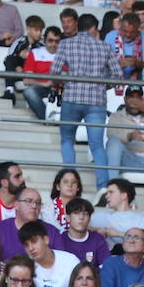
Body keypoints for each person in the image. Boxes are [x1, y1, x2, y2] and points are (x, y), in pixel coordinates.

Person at [50, 13, 119, 188]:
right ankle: (103, 188)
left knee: (67, 140)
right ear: (93, 28)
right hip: (96, 101)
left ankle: (69, 183)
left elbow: (54, 72)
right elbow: (118, 75)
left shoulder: (66, 44)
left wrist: (65, 82)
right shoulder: (105, 46)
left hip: (71, 98)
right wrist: (104, 85)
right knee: (97, 145)